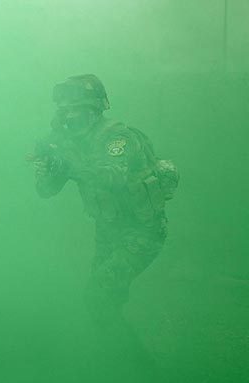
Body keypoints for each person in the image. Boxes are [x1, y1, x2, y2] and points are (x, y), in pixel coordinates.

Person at [30, 74, 178, 367]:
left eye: (78, 110)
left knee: (97, 296)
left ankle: (139, 370)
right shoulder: (67, 141)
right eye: (66, 111)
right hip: (108, 230)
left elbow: (113, 176)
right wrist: (49, 166)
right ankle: (117, 364)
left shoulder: (117, 137)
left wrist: (67, 165)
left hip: (143, 231)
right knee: (102, 302)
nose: (71, 117)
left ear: (95, 110)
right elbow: (45, 191)